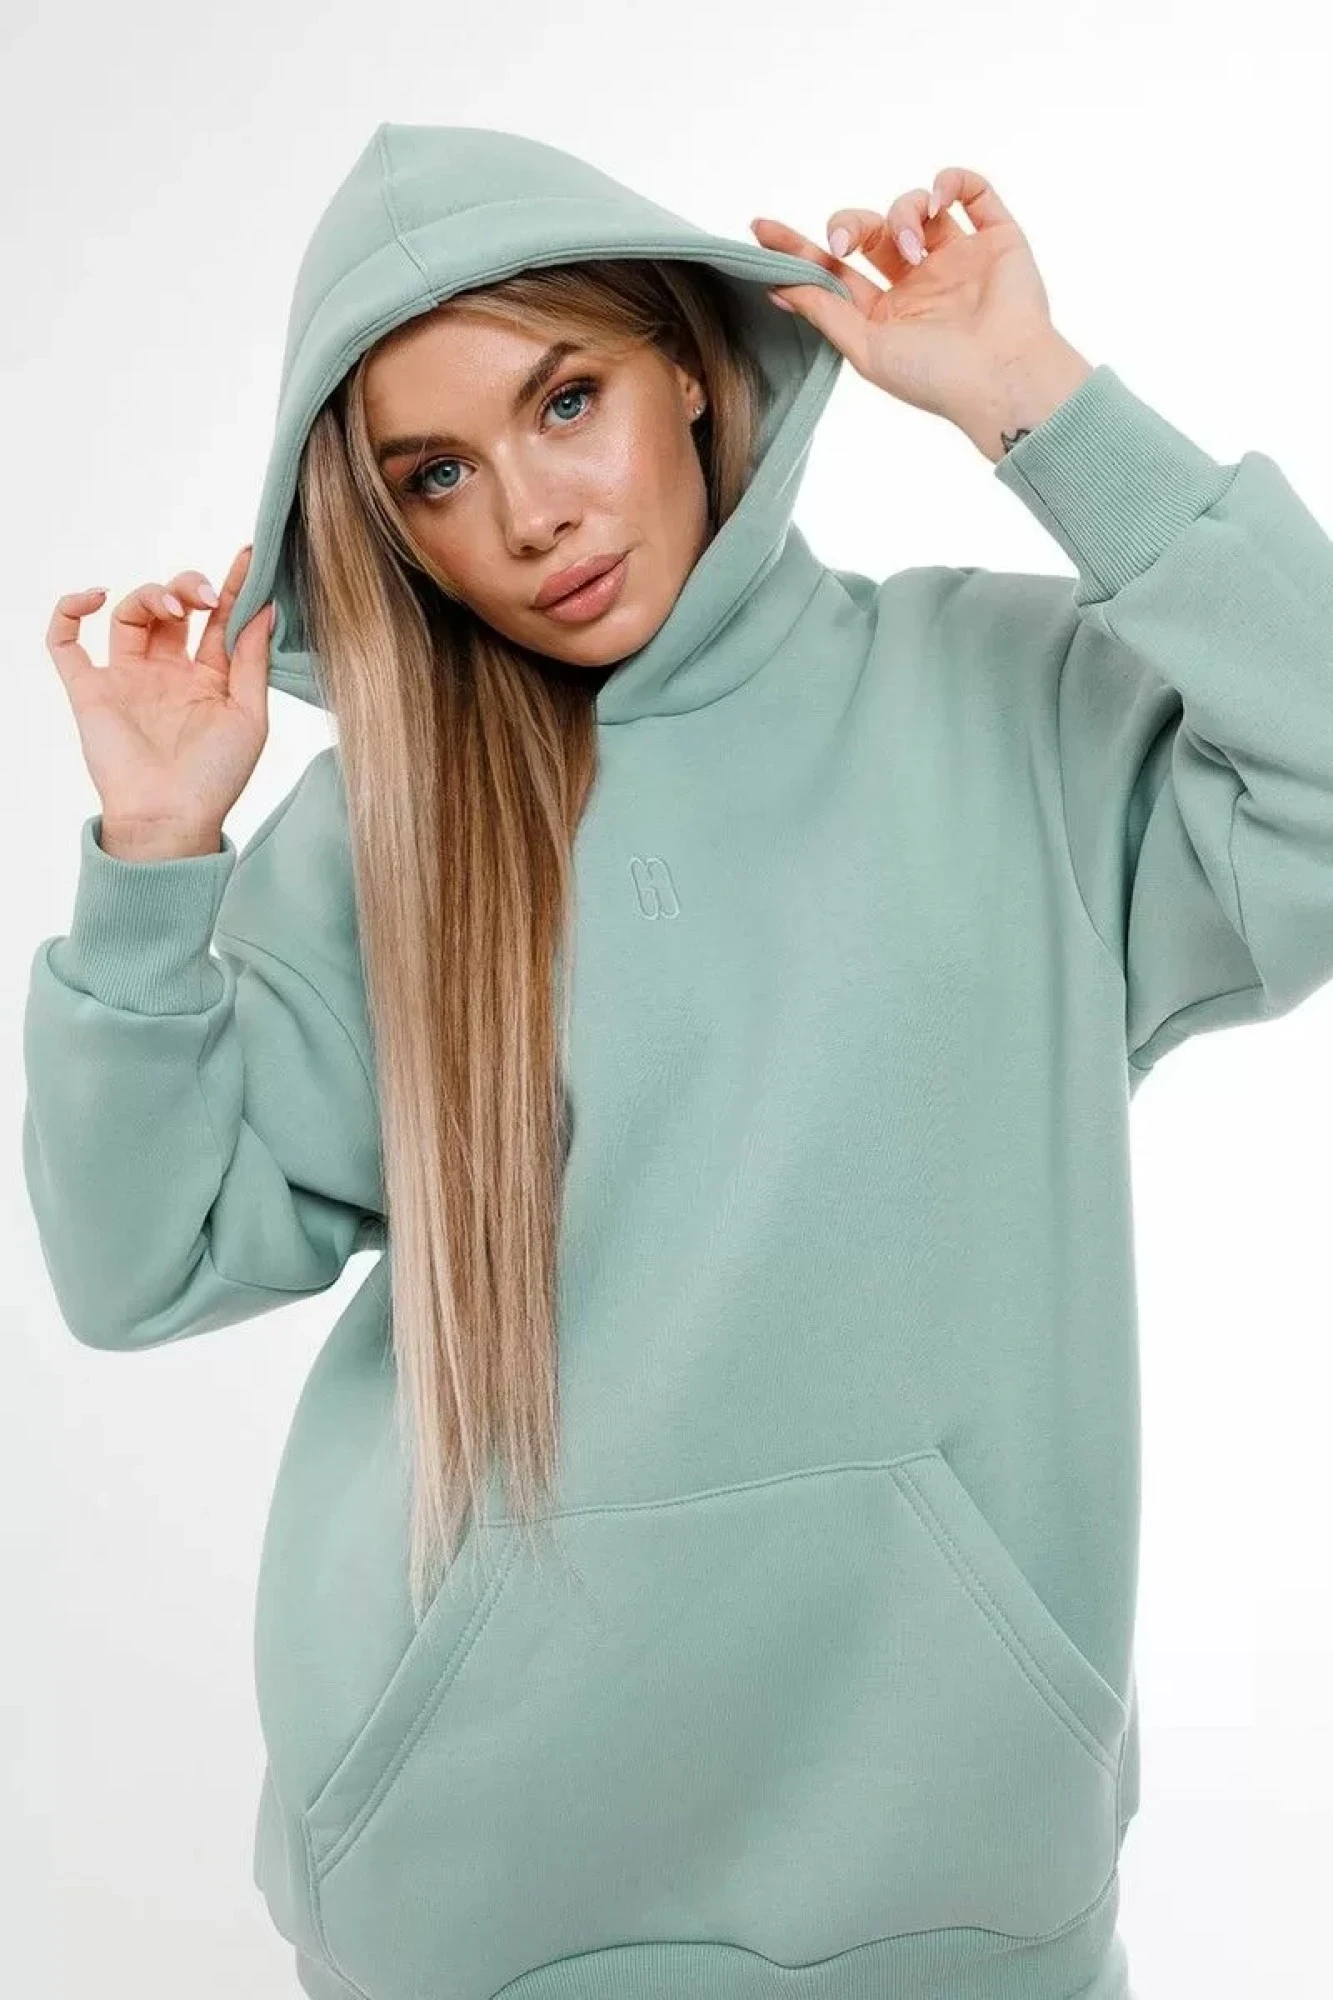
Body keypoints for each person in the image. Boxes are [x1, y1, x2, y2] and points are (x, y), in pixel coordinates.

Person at [22, 121, 1333, 2000]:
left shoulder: (1005, 704)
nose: (530, 515)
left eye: (567, 400)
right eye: (438, 474)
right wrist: (155, 864)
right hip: (478, 1883)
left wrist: (1034, 399)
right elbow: (139, 1263)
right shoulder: (388, 837)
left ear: (697, 375)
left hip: (958, 1853)